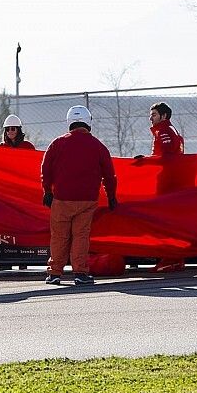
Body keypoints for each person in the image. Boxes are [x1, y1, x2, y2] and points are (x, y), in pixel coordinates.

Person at [41, 105, 117, 286]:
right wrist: (112, 197)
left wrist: (47, 191)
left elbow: (46, 168)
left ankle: (55, 273)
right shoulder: (98, 146)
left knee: (59, 236)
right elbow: (109, 175)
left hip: (62, 199)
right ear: (88, 122)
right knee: (80, 236)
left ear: (69, 122)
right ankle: (80, 273)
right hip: (87, 199)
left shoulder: (57, 143)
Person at [144, 102, 187, 272]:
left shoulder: (164, 131)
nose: (150, 118)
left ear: (164, 116)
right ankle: (174, 258)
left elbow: (167, 157)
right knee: (170, 221)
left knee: (164, 222)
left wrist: (144, 161)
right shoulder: (172, 130)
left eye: (154, 114)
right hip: (173, 182)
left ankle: (171, 258)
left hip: (167, 183)